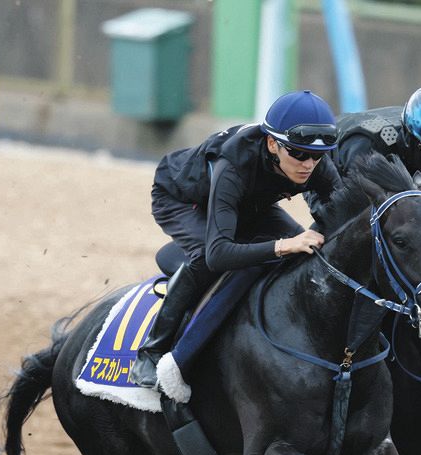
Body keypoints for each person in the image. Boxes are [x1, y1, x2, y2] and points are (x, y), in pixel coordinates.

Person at [127, 89, 343, 390]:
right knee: (204, 256)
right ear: (272, 143)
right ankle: (151, 353)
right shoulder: (233, 166)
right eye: (298, 154)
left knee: (302, 247)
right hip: (182, 200)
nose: (308, 164)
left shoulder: (315, 162)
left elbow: (346, 209)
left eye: (318, 156)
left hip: (250, 204)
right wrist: (283, 246)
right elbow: (219, 255)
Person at [306, 84, 421, 226]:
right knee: (338, 222)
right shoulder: (369, 148)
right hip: (322, 162)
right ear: (409, 138)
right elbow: (352, 211)